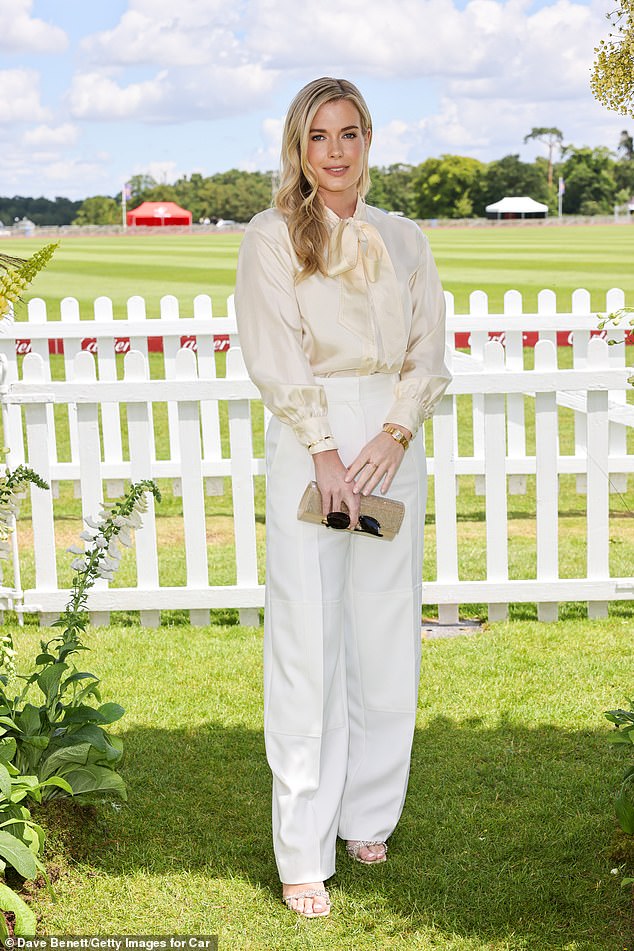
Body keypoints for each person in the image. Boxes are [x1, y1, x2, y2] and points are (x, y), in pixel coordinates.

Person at [234, 77, 451, 919]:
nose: (335, 150)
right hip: (311, 440)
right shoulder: (270, 237)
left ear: (368, 140)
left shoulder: (406, 237)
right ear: (298, 146)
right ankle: (302, 847)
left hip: (390, 442)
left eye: (349, 133)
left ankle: (369, 813)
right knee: (307, 636)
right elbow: (275, 354)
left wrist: (394, 435)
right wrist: (324, 450)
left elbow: (428, 349)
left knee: (386, 624)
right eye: (318, 135)